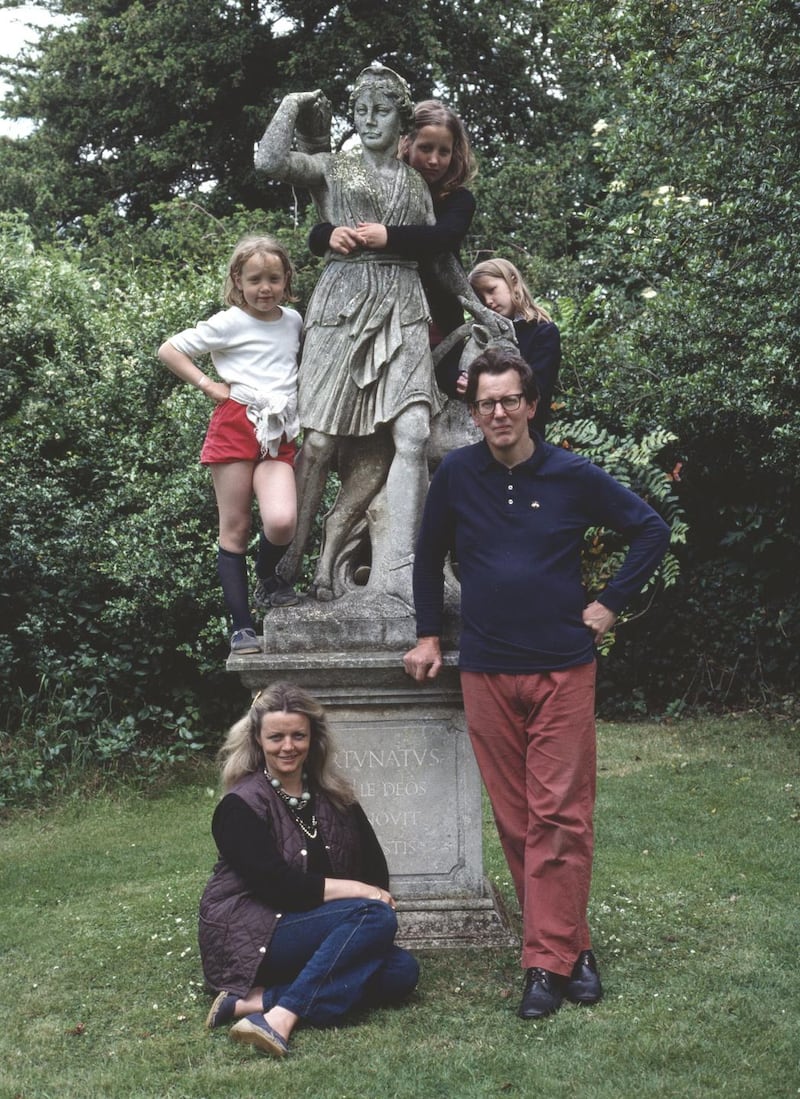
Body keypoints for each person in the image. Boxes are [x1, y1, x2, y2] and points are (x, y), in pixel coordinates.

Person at [403, 347, 670, 1019]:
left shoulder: (572, 473)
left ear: (532, 404)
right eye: (486, 403)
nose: (498, 412)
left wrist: (609, 603)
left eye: (509, 400)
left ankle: (542, 968)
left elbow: (649, 528)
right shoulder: (458, 475)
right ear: (475, 411)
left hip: (561, 664)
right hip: (487, 668)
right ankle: (572, 949)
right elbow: (428, 555)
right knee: (520, 820)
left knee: (560, 813)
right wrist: (429, 633)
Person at [254, 63, 448, 604]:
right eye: (360, 111)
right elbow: (268, 161)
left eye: (380, 111)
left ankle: (381, 570)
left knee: (403, 437)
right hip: (342, 306)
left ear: (401, 121)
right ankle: (282, 568)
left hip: (402, 305)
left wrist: (480, 308)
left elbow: (438, 256)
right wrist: (292, 104)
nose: (368, 121)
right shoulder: (334, 167)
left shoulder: (414, 183)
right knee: (317, 442)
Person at [198, 682, 419, 1058]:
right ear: (257, 739)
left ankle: (256, 1001)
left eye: (298, 735)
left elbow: (375, 870)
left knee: (401, 972)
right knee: (373, 913)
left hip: (312, 927)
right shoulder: (239, 806)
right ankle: (282, 1016)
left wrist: (369, 895)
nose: (288, 746)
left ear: (313, 738)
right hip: (252, 930)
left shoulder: (335, 795)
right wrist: (363, 895)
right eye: (276, 737)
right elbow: (279, 887)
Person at [158, 235, 302, 656]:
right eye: (255, 279)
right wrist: (207, 384)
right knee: (235, 528)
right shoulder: (231, 321)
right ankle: (242, 627)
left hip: (279, 430)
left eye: (273, 278)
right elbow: (169, 349)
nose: (265, 288)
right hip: (237, 422)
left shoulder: (293, 320)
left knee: (281, 521)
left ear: (286, 279)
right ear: (238, 280)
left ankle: (267, 577)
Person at [309, 98, 478, 397]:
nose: (435, 160)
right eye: (426, 148)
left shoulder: (458, 200)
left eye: (444, 151)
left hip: (434, 322)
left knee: (444, 393)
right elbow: (325, 227)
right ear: (405, 143)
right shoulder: (378, 187)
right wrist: (328, 235)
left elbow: (442, 237)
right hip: (370, 313)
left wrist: (389, 236)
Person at [469, 258, 561, 436]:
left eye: (491, 290)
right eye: (481, 297)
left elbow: (537, 389)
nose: (488, 301)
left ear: (512, 280)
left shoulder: (543, 332)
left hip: (526, 437)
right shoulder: (480, 333)